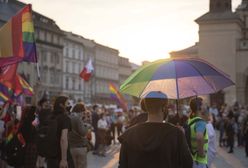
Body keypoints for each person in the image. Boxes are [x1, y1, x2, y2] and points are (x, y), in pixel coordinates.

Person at [118, 91, 192, 168]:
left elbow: (122, 165)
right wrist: (182, 137)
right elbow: (188, 163)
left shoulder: (129, 135)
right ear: (164, 108)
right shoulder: (176, 134)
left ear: (146, 107)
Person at [47, 96, 72, 168]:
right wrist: (64, 159)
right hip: (61, 156)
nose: (69, 105)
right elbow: (63, 138)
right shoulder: (65, 118)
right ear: (61, 105)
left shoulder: (50, 117)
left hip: (50, 156)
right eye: (67, 103)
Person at [188, 97, 208, 168]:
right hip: (199, 161)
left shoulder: (190, 120)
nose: (205, 106)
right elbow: (199, 137)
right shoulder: (200, 122)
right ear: (199, 107)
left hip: (193, 158)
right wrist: (201, 153)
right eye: (204, 105)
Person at [68, 103, 89, 168]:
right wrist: (86, 126)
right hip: (80, 147)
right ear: (81, 111)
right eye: (83, 112)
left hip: (71, 146)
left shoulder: (69, 117)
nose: (83, 114)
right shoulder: (77, 118)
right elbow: (83, 132)